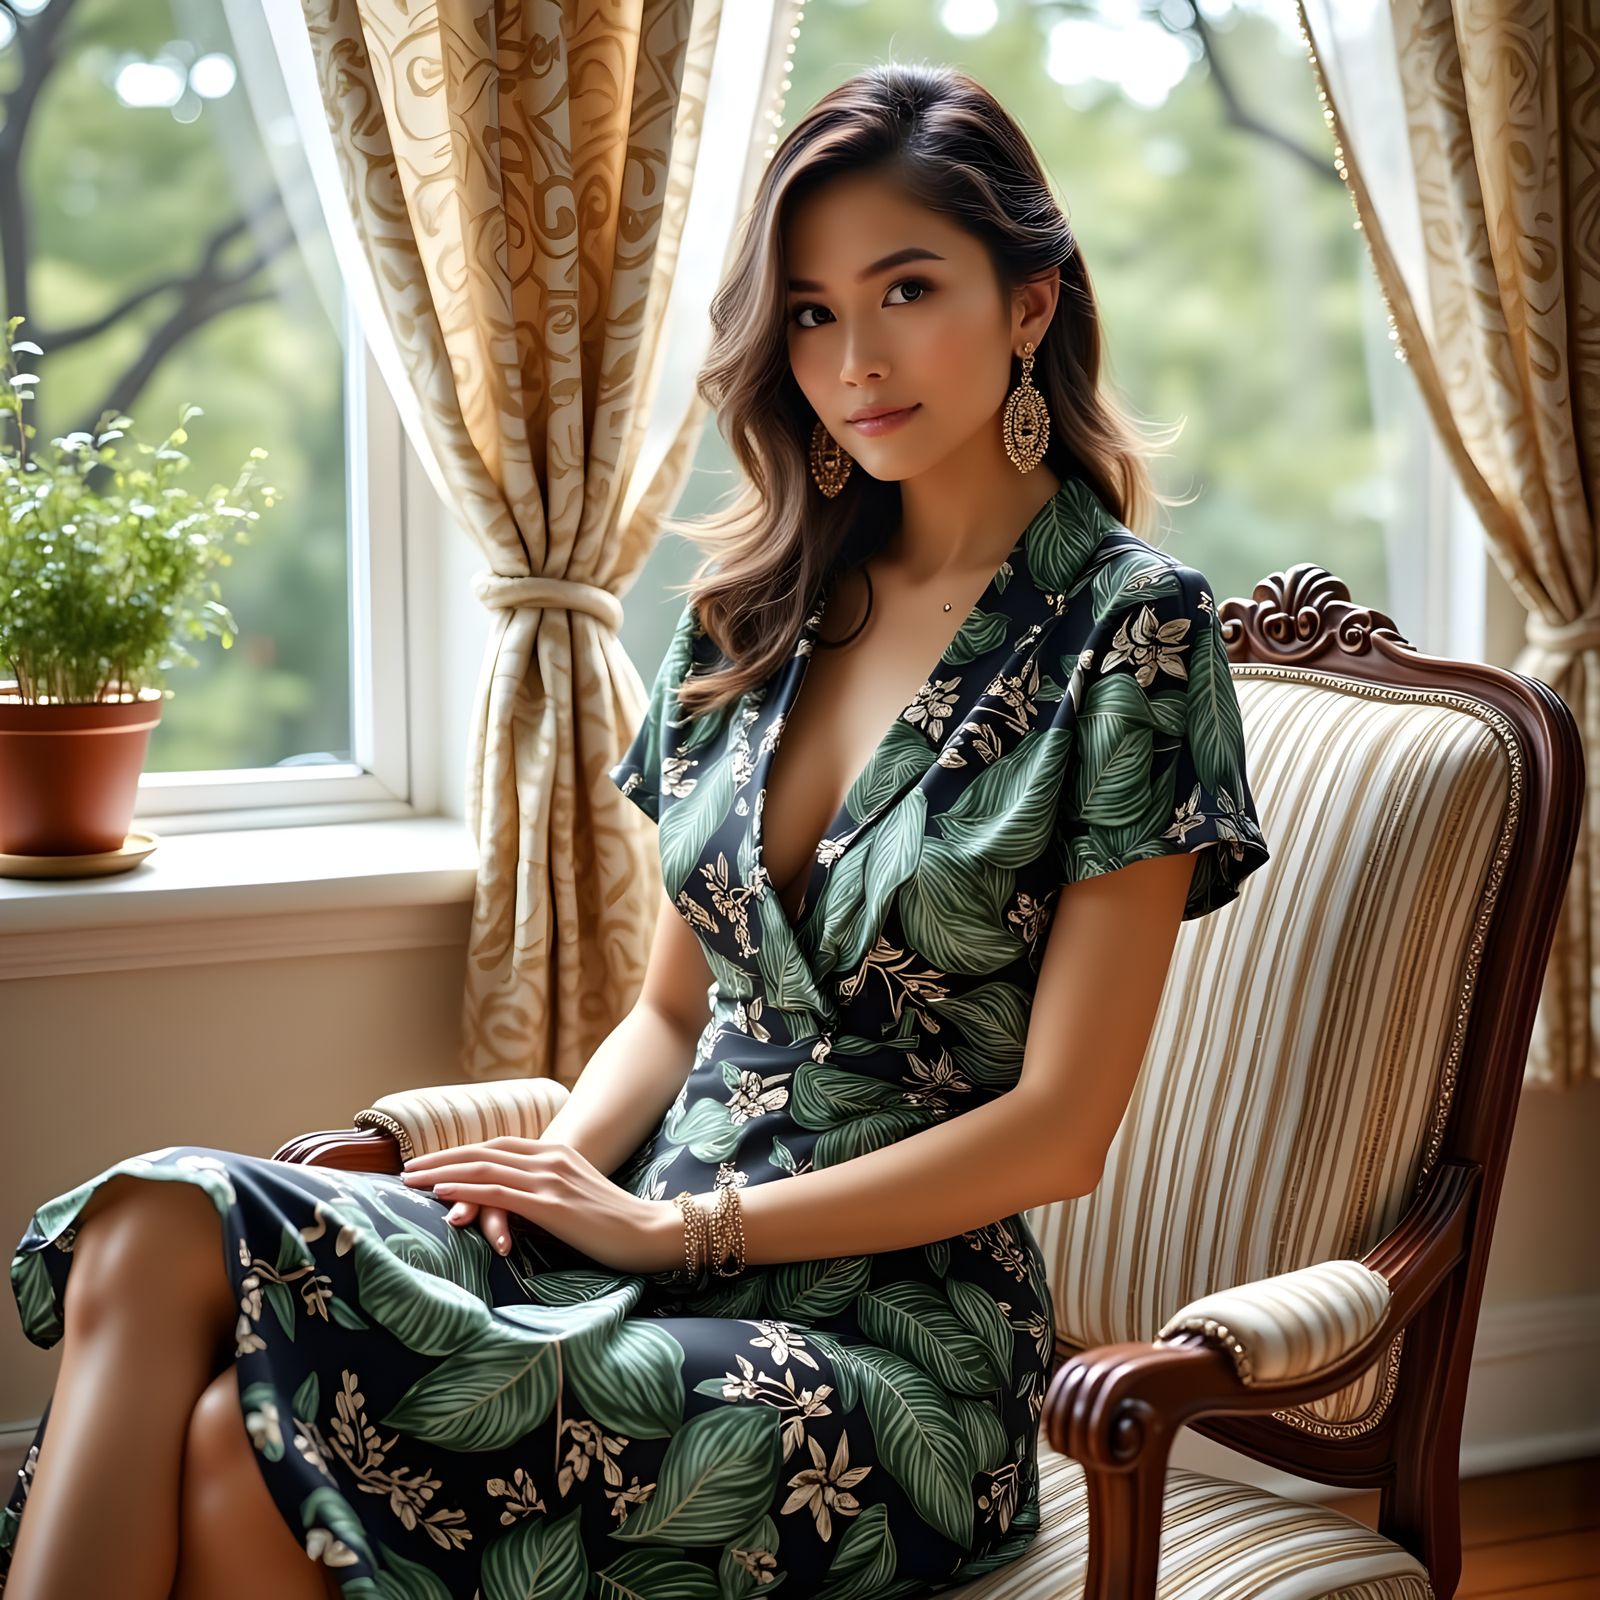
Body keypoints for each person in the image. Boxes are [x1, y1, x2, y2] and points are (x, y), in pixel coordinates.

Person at [0, 61, 1271, 1600]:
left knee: (236, 1453)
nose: (855, 360)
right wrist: (543, 1187)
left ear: (1030, 303)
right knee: (156, 1222)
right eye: (810, 313)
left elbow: (1061, 1130)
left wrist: (682, 1238)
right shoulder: (749, 614)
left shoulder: (1131, 632)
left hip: (885, 1350)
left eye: (907, 289)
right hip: (631, 1236)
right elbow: (674, 1015)